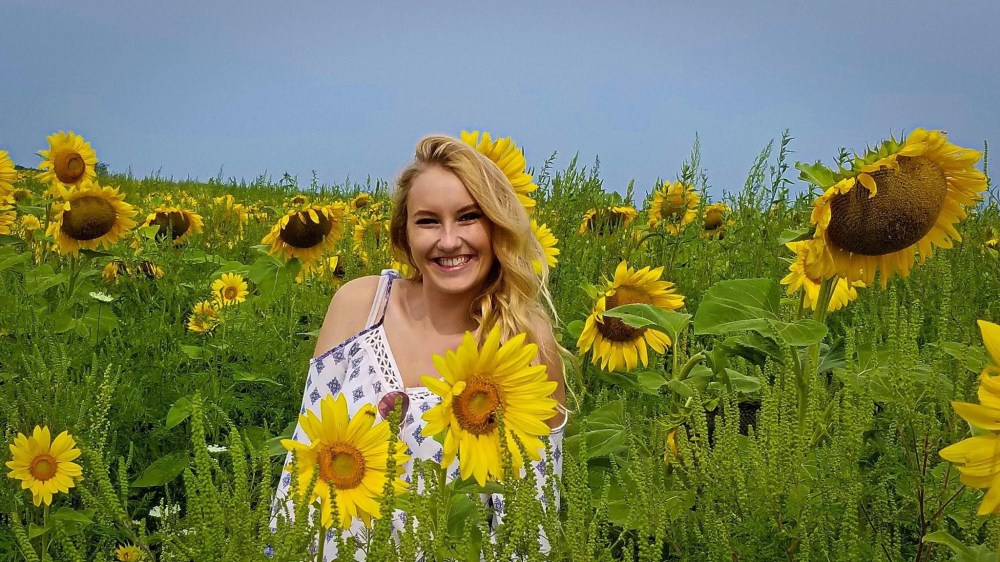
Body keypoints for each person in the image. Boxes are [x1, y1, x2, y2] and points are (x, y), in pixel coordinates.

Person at [272, 134, 568, 559]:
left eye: (468, 217)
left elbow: (528, 525)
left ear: (497, 227)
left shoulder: (522, 347)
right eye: (428, 221)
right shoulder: (359, 307)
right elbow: (304, 460)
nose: (449, 241)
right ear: (404, 234)